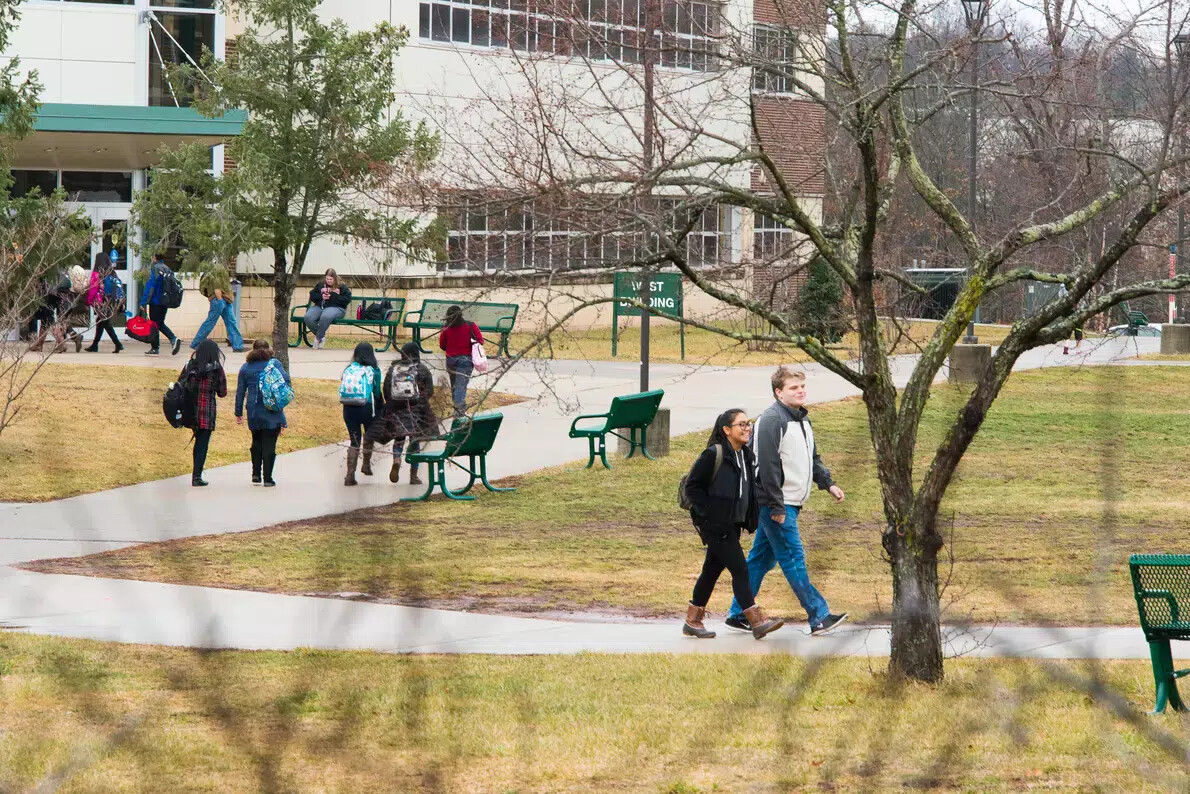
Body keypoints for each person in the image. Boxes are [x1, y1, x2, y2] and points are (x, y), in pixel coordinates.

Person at [725, 366, 849, 636]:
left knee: (760, 560)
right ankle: (818, 616)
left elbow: (812, 458)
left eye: (802, 386)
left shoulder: (802, 420)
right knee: (793, 558)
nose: (800, 391)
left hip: (789, 502)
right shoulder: (772, 420)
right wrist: (777, 506)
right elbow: (766, 467)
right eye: (793, 388)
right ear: (779, 392)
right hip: (775, 505)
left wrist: (828, 483)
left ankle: (737, 613)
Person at [683, 409, 786, 641]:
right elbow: (693, 488)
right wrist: (710, 514)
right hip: (716, 526)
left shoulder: (746, 455)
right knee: (741, 569)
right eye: (741, 424)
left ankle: (692, 620)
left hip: (733, 525)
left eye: (748, 423)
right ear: (726, 430)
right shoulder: (713, 454)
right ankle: (756, 621)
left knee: (711, 571)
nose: (747, 428)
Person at [362, 341, 437, 485]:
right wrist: (421, 402)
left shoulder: (394, 369)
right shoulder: (422, 369)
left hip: (396, 410)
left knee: (399, 437)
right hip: (416, 411)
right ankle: (413, 476)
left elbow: (386, 390)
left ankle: (396, 460)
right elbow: (430, 391)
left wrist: (391, 404)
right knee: (414, 441)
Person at [235, 339, 290, 487]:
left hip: (253, 409)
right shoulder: (274, 364)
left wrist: (238, 412)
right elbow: (286, 381)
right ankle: (268, 478)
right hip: (271, 408)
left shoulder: (246, 367)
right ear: (269, 350)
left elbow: (240, 392)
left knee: (256, 441)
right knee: (269, 444)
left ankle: (255, 474)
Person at [185, 339, 228, 487]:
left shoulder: (191, 366)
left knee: (198, 442)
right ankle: (197, 475)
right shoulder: (216, 369)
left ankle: (196, 473)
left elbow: (184, 386)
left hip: (191, 411)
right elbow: (222, 393)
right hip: (207, 412)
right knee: (202, 444)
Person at [340, 341, 384, 486]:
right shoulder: (374, 370)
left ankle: (349, 475)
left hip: (348, 408)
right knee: (369, 435)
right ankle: (366, 464)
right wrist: (381, 409)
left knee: (354, 441)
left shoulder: (349, 369)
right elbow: (376, 392)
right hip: (366, 408)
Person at [439, 304, 482, 416]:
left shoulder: (446, 328)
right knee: (460, 386)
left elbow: (442, 345)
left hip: (451, 360)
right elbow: (480, 341)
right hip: (466, 360)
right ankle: (459, 411)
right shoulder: (471, 326)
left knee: (455, 386)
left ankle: (458, 408)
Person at [190, 264, 244, 352]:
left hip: (224, 299)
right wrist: (219, 299)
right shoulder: (218, 269)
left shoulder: (217, 269)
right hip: (222, 299)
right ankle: (196, 343)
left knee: (226, 322)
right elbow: (217, 287)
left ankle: (238, 345)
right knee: (217, 322)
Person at [140, 253, 182, 356]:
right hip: (165, 301)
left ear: (154, 258)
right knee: (159, 324)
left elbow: (150, 286)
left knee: (155, 324)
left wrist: (143, 302)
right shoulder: (167, 269)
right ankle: (156, 347)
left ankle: (172, 339)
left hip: (156, 301)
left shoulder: (155, 269)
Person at [84, 253, 123, 353]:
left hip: (101, 302)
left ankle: (117, 343)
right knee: (100, 322)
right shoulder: (112, 272)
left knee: (105, 323)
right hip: (110, 301)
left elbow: (93, 289)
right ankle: (95, 345)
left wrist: (88, 301)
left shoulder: (97, 273)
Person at [304, 268, 352, 349]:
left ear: (335, 278)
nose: (329, 281)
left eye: (331, 279)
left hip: (337, 308)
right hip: (320, 306)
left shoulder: (341, 286)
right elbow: (312, 295)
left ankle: (318, 338)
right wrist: (321, 296)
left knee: (325, 316)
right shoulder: (321, 285)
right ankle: (321, 336)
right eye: (327, 279)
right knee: (308, 317)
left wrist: (334, 295)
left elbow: (347, 299)